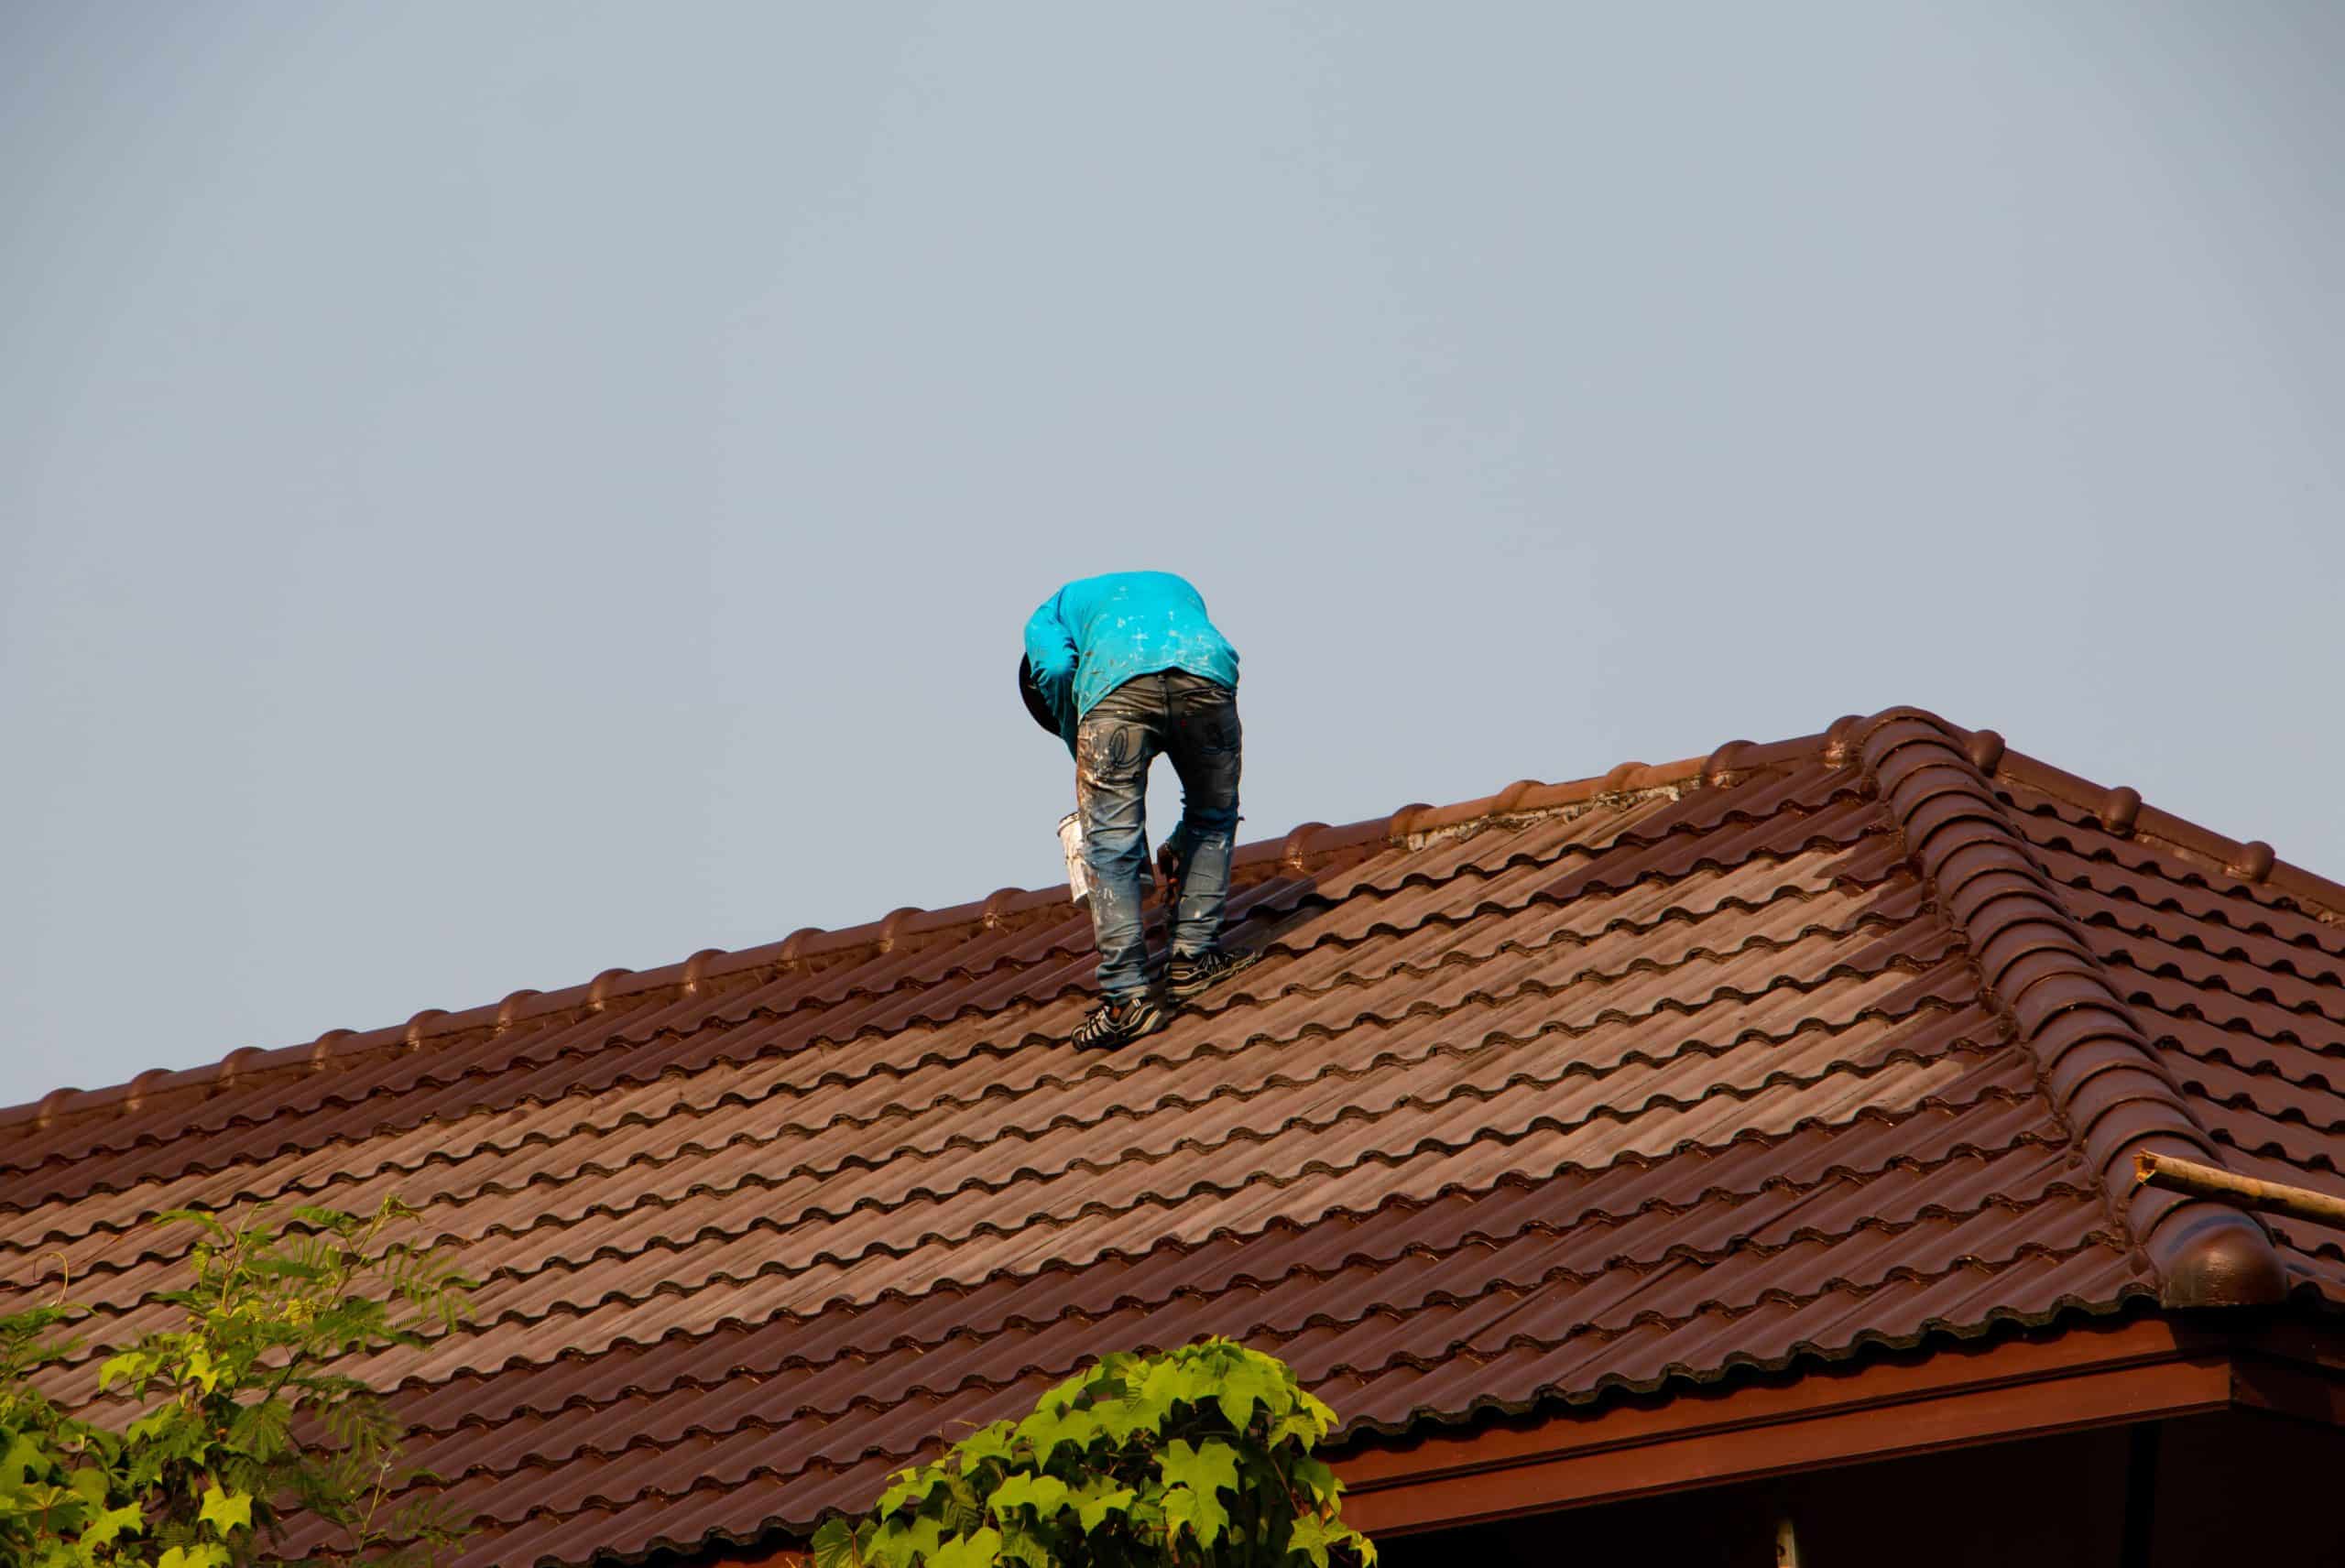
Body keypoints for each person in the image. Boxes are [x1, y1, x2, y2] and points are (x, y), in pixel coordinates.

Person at [1020, 570, 1257, 1047]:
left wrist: (1078, 736)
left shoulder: (1045, 617)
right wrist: (1178, 843)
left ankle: (1126, 1000)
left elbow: (1060, 673)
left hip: (1114, 693)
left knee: (1110, 846)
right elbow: (1170, 671)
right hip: (1206, 675)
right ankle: (1193, 959)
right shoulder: (1175, 585)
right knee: (1213, 816)